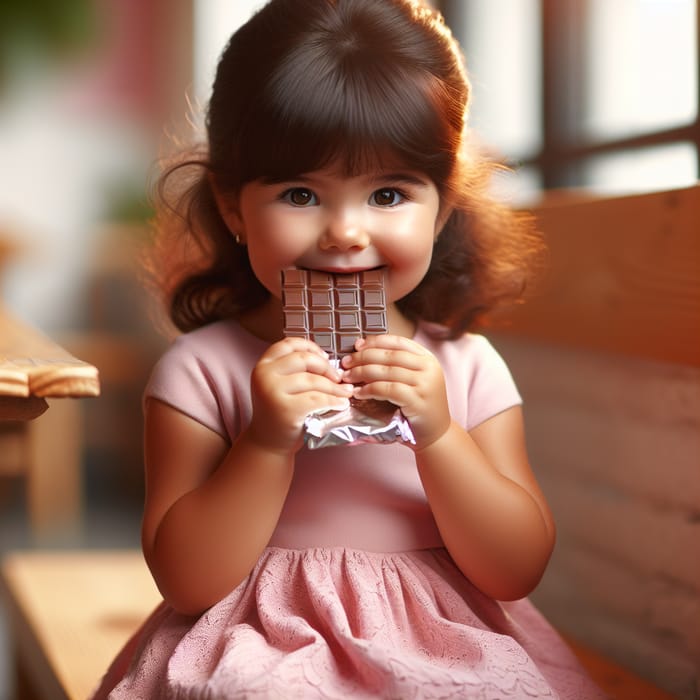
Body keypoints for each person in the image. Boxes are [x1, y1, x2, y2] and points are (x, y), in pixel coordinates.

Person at [93, 0, 605, 697]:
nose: (344, 232)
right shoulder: (200, 372)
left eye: (388, 194)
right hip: (259, 639)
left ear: (443, 204)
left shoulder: (467, 366)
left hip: (444, 641)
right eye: (301, 194)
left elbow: (514, 570)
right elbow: (187, 582)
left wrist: (440, 433)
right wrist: (265, 443)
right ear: (233, 206)